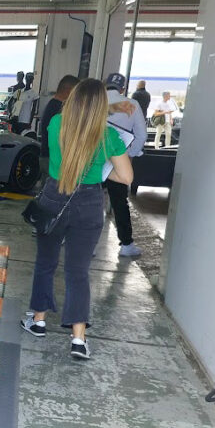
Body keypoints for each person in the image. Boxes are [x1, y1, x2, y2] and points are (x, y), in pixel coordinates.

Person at [20, 78, 133, 360]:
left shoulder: (57, 123)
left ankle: (38, 320)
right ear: (100, 107)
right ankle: (78, 339)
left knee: (46, 263)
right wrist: (101, 173)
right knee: (78, 272)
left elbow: (79, 125)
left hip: (54, 196)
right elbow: (126, 177)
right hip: (89, 202)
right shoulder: (108, 137)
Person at [104, 72, 147, 258]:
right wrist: (129, 154)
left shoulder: (96, 101)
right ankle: (126, 245)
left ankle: (73, 237)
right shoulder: (133, 105)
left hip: (92, 156)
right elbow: (142, 135)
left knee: (84, 197)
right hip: (116, 158)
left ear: (105, 85)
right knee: (119, 201)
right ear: (123, 88)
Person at [39, 74, 79, 161]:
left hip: (47, 156)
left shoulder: (52, 104)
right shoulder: (60, 109)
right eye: (77, 93)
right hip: (53, 160)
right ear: (70, 91)